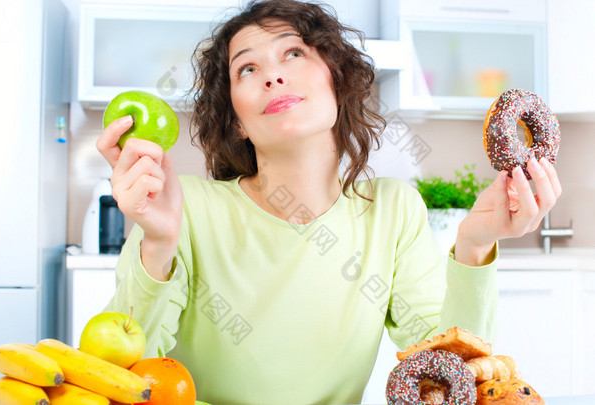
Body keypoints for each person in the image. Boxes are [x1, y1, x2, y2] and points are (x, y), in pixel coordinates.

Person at [96, 1, 562, 404]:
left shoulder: (393, 210)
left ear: (337, 81)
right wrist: (157, 243)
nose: (273, 75)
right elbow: (125, 373)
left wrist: (475, 244)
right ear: (236, 120)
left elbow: (445, 369)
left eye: (293, 53)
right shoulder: (186, 209)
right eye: (247, 68)